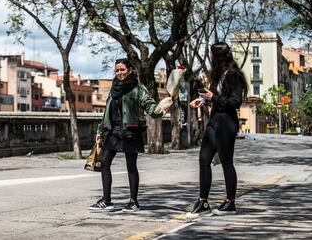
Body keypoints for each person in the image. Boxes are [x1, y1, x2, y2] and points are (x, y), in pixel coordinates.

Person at [89, 58, 170, 212]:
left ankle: (133, 202)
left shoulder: (138, 88)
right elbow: (107, 110)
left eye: (122, 70)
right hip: (112, 131)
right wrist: (100, 130)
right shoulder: (114, 88)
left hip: (130, 131)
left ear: (130, 69)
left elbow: (149, 105)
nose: (119, 73)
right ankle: (106, 200)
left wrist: (159, 110)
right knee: (104, 163)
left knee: (131, 166)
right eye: (117, 70)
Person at [187, 42, 248, 218]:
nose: (210, 58)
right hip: (214, 121)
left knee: (226, 162)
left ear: (219, 56)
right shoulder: (218, 75)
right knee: (204, 159)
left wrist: (213, 97)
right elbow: (216, 97)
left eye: (212, 55)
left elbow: (235, 102)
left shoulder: (233, 75)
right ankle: (203, 201)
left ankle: (230, 202)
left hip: (227, 123)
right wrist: (204, 101)